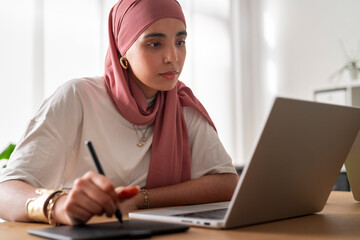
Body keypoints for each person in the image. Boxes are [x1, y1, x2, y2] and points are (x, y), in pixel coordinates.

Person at [0, 0, 238, 226]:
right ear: (122, 50)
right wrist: (58, 206)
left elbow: (227, 184)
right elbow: (5, 192)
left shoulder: (182, 104)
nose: (173, 58)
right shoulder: (78, 97)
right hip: (88, 232)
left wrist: (141, 199)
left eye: (180, 42)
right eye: (155, 44)